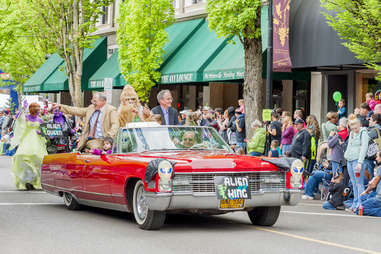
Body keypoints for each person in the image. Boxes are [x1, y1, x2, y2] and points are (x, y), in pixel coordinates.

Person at [53, 92, 119, 151]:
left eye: (95, 101)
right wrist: (61, 107)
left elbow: (115, 125)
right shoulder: (91, 108)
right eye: (92, 101)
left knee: (92, 148)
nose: (93, 103)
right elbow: (77, 110)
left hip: (103, 141)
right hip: (88, 140)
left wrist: (108, 139)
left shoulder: (111, 110)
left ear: (103, 101)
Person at [10, 103, 47, 190]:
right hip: (27, 141)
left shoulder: (40, 120)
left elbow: (44, 131)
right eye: (37, 110)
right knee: (21, 157)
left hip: (37, 142)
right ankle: (24, 181)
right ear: (33, 110)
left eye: (39, 110)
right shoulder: (26, 117)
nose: (39, 111)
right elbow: (18, 117)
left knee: (38, 159)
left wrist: (41, 132)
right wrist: (23, 108)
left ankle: (36, 182)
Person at [344, 115, 369, 212]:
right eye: (352, 128)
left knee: (359, 183)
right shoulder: (352, 133)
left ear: (360, 125)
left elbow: (364, 148)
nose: (354, 130)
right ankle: (355, 204)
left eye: (356, 128)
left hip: (357, 161)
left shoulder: (363, 132)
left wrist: (360, 162)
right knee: (353, 183)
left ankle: (361, 205)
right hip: (349, 160)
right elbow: (349, 146)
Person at [358, 151, 381, 217]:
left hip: (379, 199)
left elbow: (373, 184)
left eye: (377, 156)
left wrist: (365, 191)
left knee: (359, 210)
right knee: (364, 198)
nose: (376, 158)